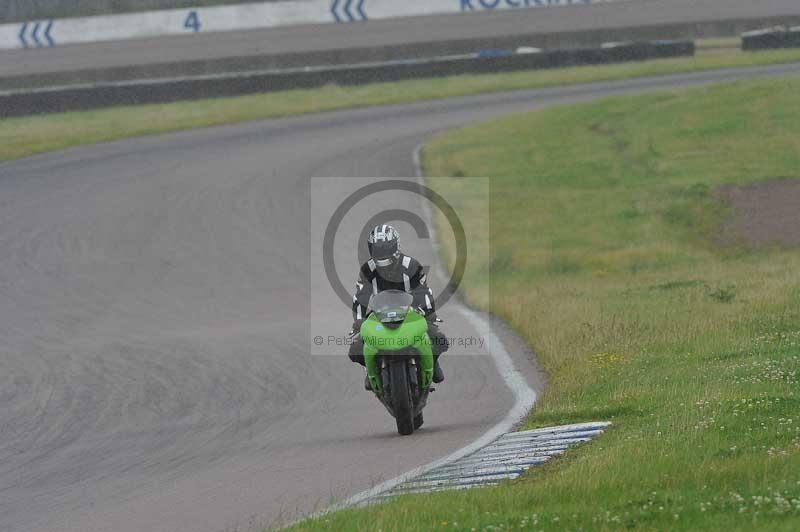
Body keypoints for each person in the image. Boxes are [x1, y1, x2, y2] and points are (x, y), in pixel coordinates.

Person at [348, 224, 447, 388]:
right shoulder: (367, 270)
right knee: (356, 348)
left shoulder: (412, 266)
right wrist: (359, 323)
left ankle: (433, 363)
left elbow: (424, 292)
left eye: (385, 249)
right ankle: (370, 369)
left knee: (438, 338)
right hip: (379, 316)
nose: (382, 254)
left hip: (412, 313)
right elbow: (360, 298)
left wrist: (429, 316)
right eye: (377, 250)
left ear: (396, 246)